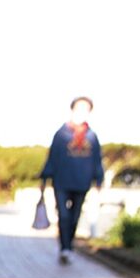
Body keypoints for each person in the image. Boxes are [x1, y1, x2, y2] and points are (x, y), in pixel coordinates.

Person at [39, 96, 105, 264]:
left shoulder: (91, 136)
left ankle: (69, 245)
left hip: (82, 182)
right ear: (72, 110)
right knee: (63, 214)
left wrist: (99, 179)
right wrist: (45, 177)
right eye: (79, 108)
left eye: (86, 109)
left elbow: (97, 159)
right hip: (61, 181)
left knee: (75, 216)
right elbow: (52, 157)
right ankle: (65, 247)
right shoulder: (61, 134)